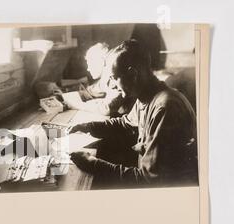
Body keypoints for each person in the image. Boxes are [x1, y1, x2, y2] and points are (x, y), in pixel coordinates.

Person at [69, 39, 198, 187]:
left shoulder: (165, 107)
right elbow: (125, 123)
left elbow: (148, 179)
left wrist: (93, 164)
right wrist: (87, 127)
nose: (111, 85)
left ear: (133, 74)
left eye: (114, 78)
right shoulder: (147, 96)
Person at [70, 43, 134, 117]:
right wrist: (65, 96)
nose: (88, 69)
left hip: (127, 121)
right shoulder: (105, 76)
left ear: (102, 61)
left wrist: (76, 105)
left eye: (90, 63)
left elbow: (107, 109)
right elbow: (92, 91)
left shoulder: (114, 77)